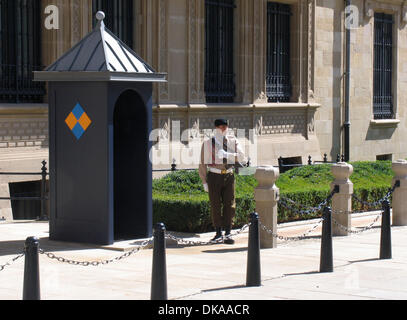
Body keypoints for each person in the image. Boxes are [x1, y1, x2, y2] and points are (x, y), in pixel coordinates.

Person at [199, 119, 245, 244]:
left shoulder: (233, 141)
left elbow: (241, 156)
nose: (223, 129)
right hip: (214, 175)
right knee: (215, 205)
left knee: (230, 204)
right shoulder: (208, 143)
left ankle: (228, 232)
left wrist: (228, 155)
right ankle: (218, 232)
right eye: (220, 127)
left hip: (229, 175)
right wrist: (204, 181)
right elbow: (202, 163)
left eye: (225, 127)